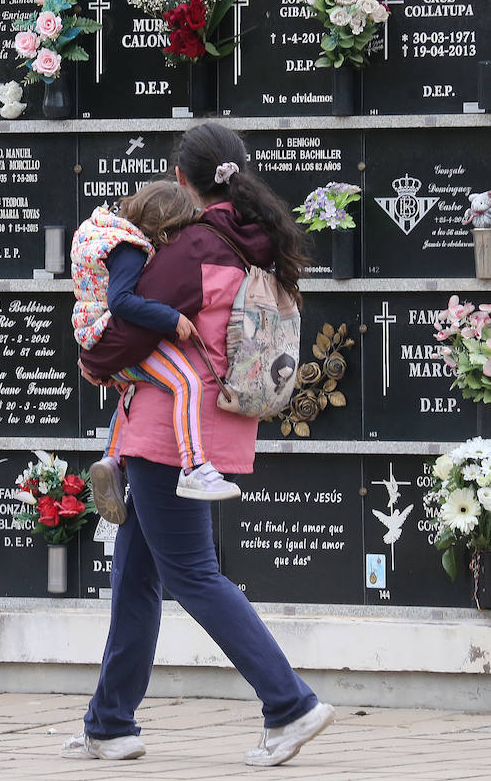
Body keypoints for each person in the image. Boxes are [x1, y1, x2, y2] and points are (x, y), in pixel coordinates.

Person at [64, 123, 331, 768]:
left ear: (183, 180)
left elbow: (127, 327)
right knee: (134, 577)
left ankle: (289, 704)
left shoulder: (194, 245)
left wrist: (93, 361)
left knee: (193, 576)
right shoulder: (259, 239)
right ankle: (110, 723)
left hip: (169, 433)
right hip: (221, 423)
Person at [71, 181, 241, 525]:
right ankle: (194, 466)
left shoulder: (106, 231)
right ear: (165, 228)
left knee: (135, 384)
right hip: (106, 331)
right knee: (187, 383)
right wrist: (171, 317)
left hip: (93, 334)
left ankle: (111, 459)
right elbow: (120, 301)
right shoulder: (130, 248)